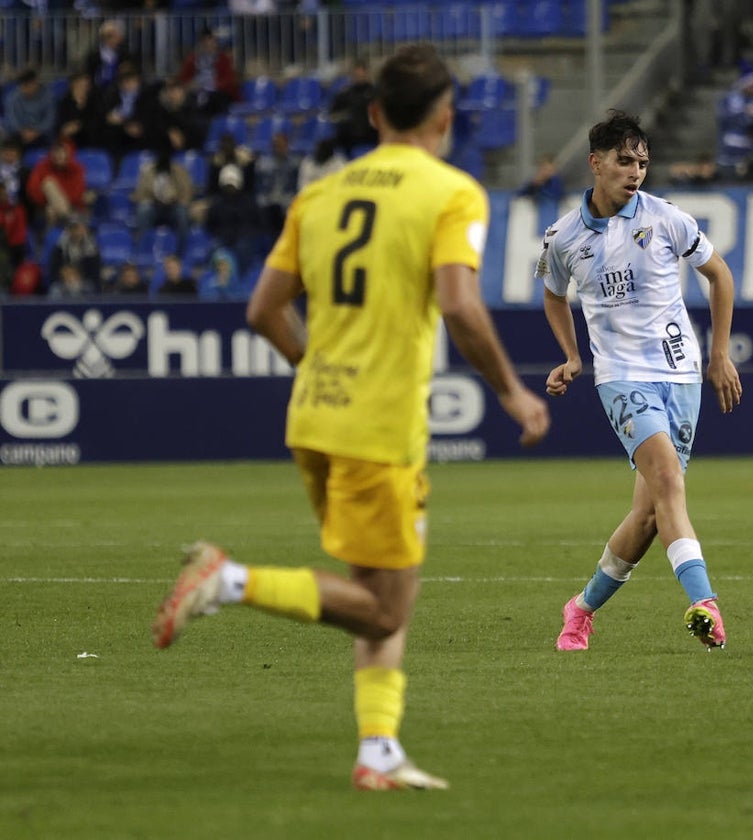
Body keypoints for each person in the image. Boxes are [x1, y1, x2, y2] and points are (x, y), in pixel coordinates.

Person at [152, 44, 550, 793]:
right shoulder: (451, 191)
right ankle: (229, 579)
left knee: (380, 591)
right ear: (445, 117)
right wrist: (511, 391)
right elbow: (461, 303)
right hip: (378, 427)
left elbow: (264, 309)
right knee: (382, 608)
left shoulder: (320, 194)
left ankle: (379, 752)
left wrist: (317, 369)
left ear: (374, 114)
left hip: (314, 417)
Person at [540, 111, 742, 652]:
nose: (635, 172)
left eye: (643, 162)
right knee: (670, 484)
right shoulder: (562, 237)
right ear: (596, 163)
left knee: (650, 513)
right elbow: (554, 295)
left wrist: (718, 355)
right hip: (622, 377)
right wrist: (571, 356)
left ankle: (580, 610)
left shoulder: (668, 219)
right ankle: (705, 604)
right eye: (625, 161)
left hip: (681, 374)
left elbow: (719, 275)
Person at [132, 149, 193, 256]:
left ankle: (181, 254)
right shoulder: (148, 170)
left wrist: (176, 199)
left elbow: (187, 194)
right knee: (143, 210)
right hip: (154, 206)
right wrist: (151, 199)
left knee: (182, 213)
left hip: (173, 207)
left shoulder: (179, 171)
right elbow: (139, 195)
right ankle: (143, 251)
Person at [3, 68, 55, 150]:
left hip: (41, 133)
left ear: (34, 83)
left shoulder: (48, 96)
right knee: (10, 144)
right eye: (22, 86)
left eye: (27, 86)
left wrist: (36, 131)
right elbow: (12, 118)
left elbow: (50, 118)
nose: (23, 89)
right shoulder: (13, 98)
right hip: (20, 134)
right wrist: (23, 131)